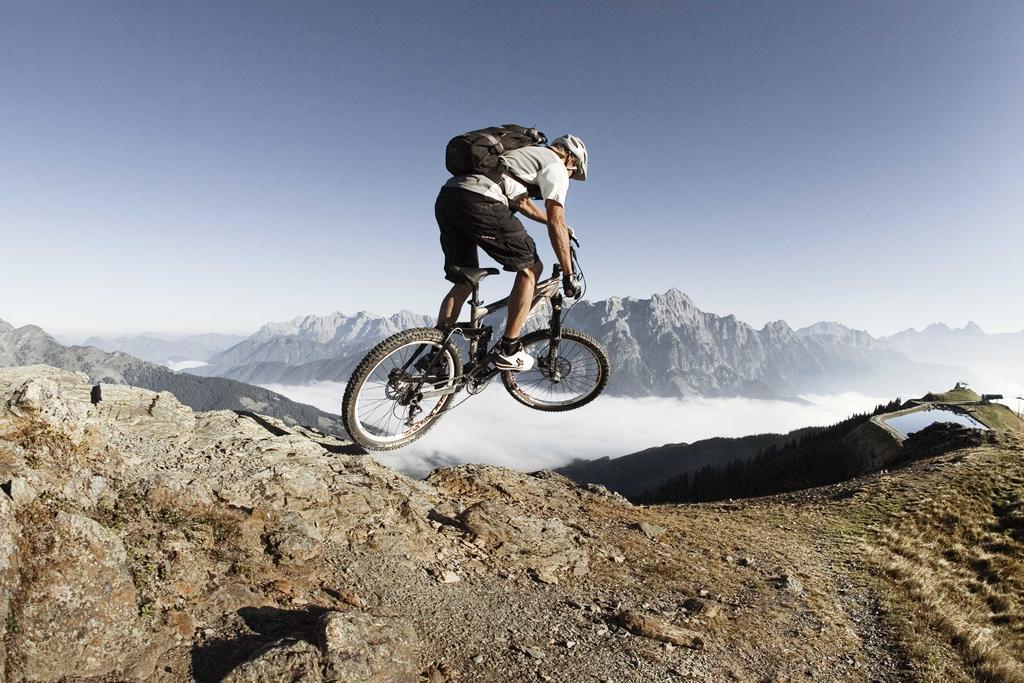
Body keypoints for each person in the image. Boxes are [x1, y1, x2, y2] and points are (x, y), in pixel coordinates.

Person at [433, 134, 588, 371]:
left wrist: (557, 226)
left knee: (465, 279)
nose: (570, 178)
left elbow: (524, 204)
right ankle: (510, 349)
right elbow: (556, 220)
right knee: (532, 268)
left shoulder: (520, 156)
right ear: (571, 160)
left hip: (449, 198)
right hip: (482, 200)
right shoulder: (556, 167)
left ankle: (435, 355)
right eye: (573, 173)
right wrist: (568, 274)